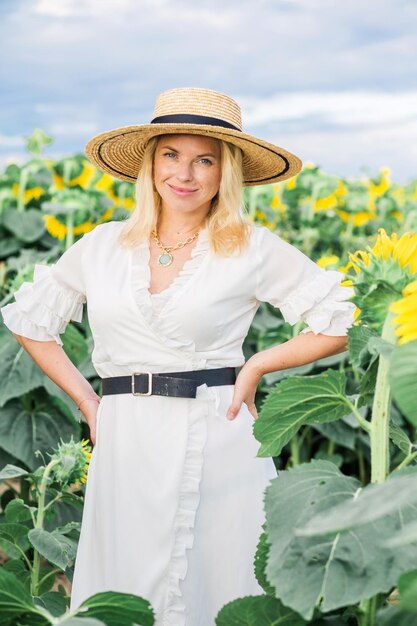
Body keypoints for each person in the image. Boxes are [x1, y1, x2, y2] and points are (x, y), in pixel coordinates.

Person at [0, 87, 356, 625]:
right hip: (126, 442)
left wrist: (257, 365)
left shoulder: (251, 247)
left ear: (224, 173)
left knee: (216, 581)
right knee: (125, 583)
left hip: (219, 435)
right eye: (172, 154)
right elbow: (31, 321)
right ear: (150, 163)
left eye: (204, 160)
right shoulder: (101, 246)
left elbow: (341, 321)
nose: (185, 173)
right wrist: (89, 403)